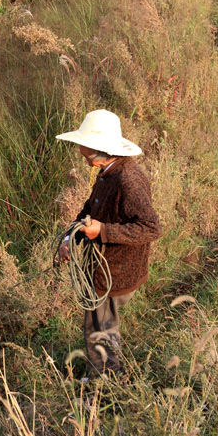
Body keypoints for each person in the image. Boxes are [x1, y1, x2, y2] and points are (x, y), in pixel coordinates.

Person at [56, 110, 161, 377]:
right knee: (99, 325)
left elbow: (150, 228)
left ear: (95, 148)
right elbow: (90, 210)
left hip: (115, 273)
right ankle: (102, 376)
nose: (79, 149)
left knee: (100, 329)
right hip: (105, 270)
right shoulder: (107, 172)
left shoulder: (128, 180)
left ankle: (105, 386)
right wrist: (71, 237)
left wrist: (103, 231)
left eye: (82, 144)